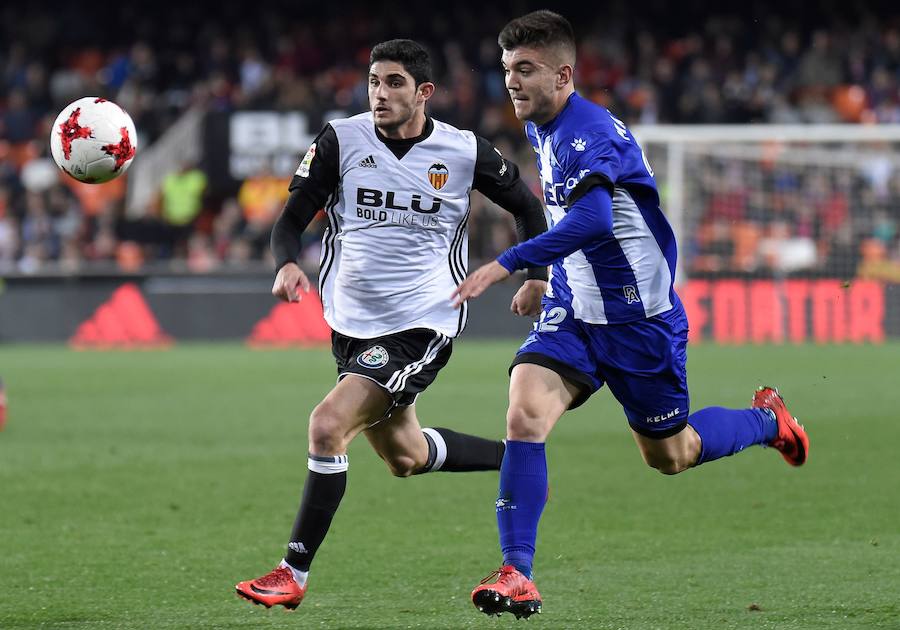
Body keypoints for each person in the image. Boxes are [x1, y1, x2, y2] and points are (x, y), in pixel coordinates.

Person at [452, 11, 810, 619]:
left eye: (526, 70)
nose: (511, 81)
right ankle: (517, 571)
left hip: (639, 320)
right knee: (524, 412)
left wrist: (508, 262)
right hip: (574, 306)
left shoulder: (584, 131)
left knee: (671, 455)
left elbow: (590, 220)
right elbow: (569, 216)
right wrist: (545, 276)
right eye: (507, 69)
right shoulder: (544, 123)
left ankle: (766, 420)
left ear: (564, 74)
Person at [235, 39, 550, 610]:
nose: (380, 94)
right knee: (404, 456)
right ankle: (519, 460)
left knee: (327, 425)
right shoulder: (341, 140)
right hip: (352, 323)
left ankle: (292, 573)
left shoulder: (462, 150)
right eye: (375, 82)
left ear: (424, 92)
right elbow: (291, 220)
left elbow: (530, 208)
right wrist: (284, 262)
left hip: (423, 320)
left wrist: (535, 275)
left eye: (395, 83)